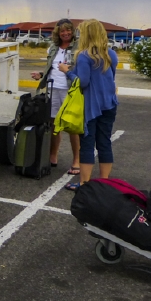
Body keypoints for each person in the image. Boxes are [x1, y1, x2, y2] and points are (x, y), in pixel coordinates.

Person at [60, 19, 119, 191]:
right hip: (109, 104)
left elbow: (83, 82)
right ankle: (104, 182)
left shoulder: (83, 56)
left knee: (87, 143)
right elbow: (110, 77)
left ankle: (84, 184)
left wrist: (67, 72)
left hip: (90, 106)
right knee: (104, 142)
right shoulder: (111, 54)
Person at [30, 19, 80, 174]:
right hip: (53, 88)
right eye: (62, 31)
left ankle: (76, 159)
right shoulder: (53, 48)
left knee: (72, 126)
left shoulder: (79, 48)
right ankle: (53, 155)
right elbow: (51, 68)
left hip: (69, 90)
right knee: (53, 124)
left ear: (72, 31)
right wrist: (41, 74)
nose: (65, 33)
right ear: (58, 33)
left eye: (68, 30)